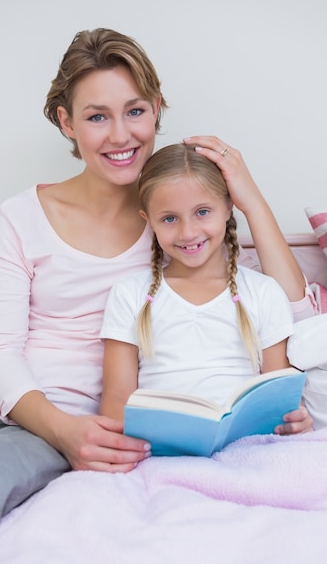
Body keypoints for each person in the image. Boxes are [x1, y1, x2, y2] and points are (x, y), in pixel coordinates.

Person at [0, 28, 314, 550]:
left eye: (135, 111)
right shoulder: (21, 215)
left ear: (157, 109)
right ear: (66, 122)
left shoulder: (177, 221)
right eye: (97, 117)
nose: (121, 135)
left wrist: (250, 198)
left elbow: (291, 310)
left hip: (64, 423)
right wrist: (58, 427)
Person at [99, 143, 311, 428]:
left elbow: (279, 399)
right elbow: (115, 403)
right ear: (148, 221)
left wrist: (294, 422)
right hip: (157, 449)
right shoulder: (129, 294)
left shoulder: (263, 292)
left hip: (248, 445)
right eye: (169, 218)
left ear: (228, 207)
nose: (188, 232)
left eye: (202, 212)